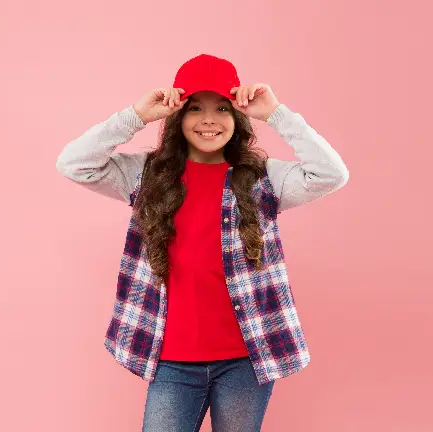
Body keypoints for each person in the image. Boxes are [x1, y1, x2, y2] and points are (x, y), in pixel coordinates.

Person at [56, 54, 349, 432]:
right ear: (178, 119)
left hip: (245, 359)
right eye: (195, 109)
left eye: (221, 109)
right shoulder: (145, 175)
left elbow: (332, 174)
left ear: (237, 118)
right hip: (171, 359)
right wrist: (136, 116)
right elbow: (73, 163)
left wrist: (276, 114)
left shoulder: (264, 178)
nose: (208, 120)